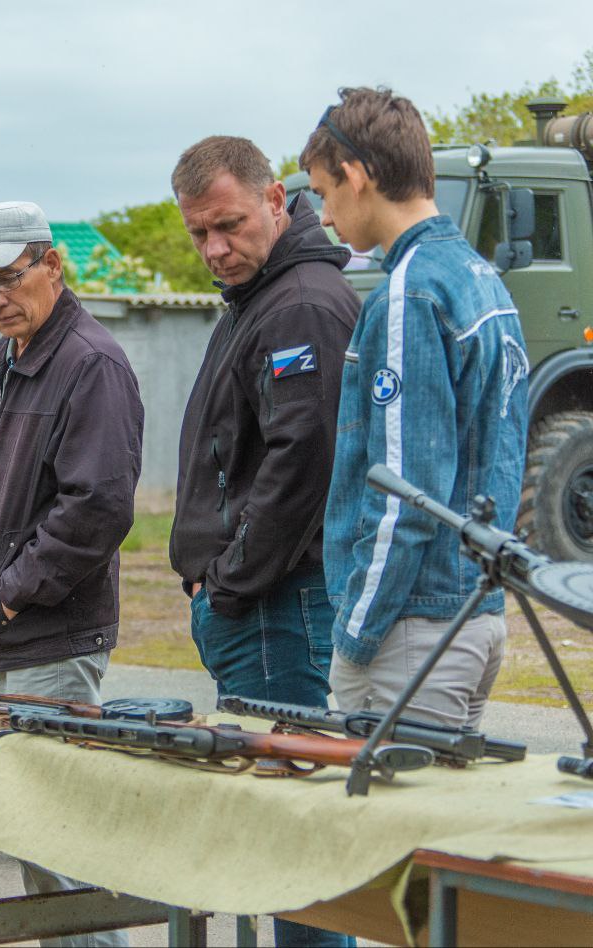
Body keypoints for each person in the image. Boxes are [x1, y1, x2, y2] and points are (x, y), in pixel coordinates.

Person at [167, 136, 359, 948]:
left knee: (291, 839)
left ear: (277, 200)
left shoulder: (301, 305)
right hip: (260, 601)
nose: (216, 248)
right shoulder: (263, 297)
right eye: (199, 234)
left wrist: (233, 580)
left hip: (282, 603)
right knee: (278, 833)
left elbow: (302, 463)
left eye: (230, 225)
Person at [0, 201, 142, 948]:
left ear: (52, 266)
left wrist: (4, 599)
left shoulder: (88, 362)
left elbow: (96, 508)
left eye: (9, 277)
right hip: (6, 640)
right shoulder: (7, 358)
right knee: (40, 848)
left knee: (61, 850)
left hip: (48, 638)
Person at [302, 87, 528, 727]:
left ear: (356, 175)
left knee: (387, 828)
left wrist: (354, 637)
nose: (321, 215)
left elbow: (406, 493)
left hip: (412, 632)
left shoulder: (409, 293)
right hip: (472, 616)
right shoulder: (480, 276)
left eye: (322, 191)